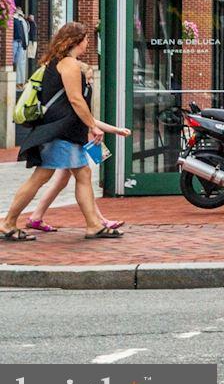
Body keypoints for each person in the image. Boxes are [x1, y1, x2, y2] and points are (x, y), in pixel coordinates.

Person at [3, 21, 131, 241]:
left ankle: (93, 224)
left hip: (61, 130)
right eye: (86, 39)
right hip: (61, 130)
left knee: (79, 173)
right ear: (76, 41)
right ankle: (8, 222)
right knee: (43, 176)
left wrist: (91, 124)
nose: (87, 43)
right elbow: (75, 99)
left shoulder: (57, 63)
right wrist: (92, 126)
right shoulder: (69, 64)